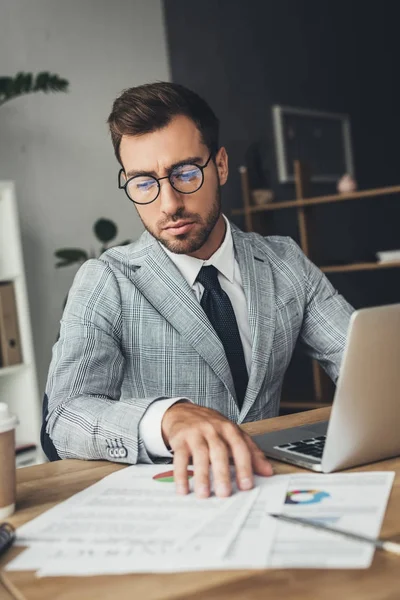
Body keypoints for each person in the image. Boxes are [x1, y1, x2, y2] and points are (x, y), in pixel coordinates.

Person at [43, 82, 354, 499]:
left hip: (270, 489)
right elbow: (64, 417)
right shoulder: (106, 280)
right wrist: (166, 418)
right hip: (169, 505)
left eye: (186, 173)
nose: (168, 203)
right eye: (143, 183)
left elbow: (360, 357)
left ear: (220, 166)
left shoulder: (284, 262)